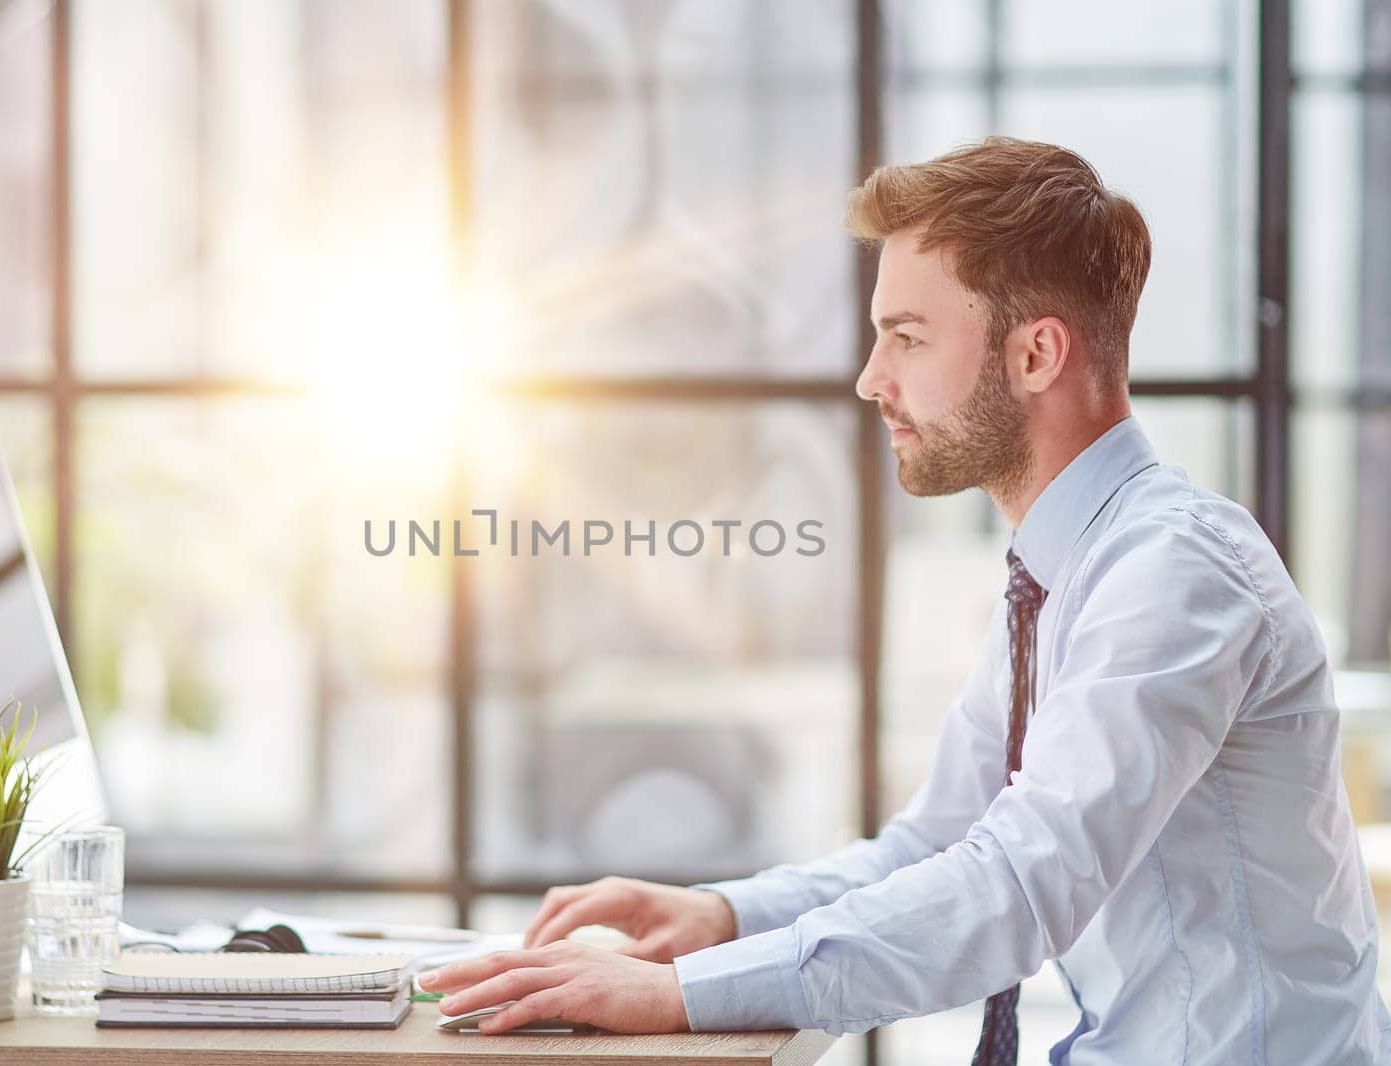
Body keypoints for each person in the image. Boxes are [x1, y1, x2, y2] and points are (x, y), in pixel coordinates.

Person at [418, 136, 1391, 1063]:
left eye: (906, 337)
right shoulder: (1056, 576)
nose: (869, 378)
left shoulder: (1171, 573)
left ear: (1035, 356)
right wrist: (722, 918)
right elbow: (942, 844)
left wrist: (681, 994)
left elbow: (1019, 887)